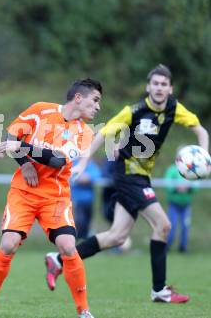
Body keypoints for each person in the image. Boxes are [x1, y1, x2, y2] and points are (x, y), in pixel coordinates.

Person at [44, 64, 209, 303]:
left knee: (116, 236)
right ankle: (159, 290)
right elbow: (103, 134)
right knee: (163, 225)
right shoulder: (134, 111)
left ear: (170, 88)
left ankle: (57, 260)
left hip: (142, 176)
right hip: (128, 174)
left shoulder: (174, 108)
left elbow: (201, 131)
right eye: (155, 83)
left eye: (164, 84)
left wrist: (204, 157)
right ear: (148, 87)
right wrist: (82, 162)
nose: (159, 88)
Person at [0, 79, 102, 318]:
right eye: (95, 100)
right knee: (8, 244)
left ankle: (84, 311)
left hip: (56, 195)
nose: (98, 107)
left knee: (68, 246)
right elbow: (11, 135)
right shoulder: (40, 110)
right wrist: (24, 164)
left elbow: (56, 160)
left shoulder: (85, 132)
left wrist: (22, 148)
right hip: (24, 191)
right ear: (78, 98)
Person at [164, 152, 196, 253]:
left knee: (185, 226)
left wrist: (188, 187)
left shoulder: (192, 170)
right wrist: (177, 188)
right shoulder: (172, 169)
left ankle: (183, 248)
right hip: (173, 204)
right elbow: (167, 183)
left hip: (186, 205)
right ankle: (166, 247)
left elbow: (196, 184)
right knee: (171, 226)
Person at [71, 159, 101, 239]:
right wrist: (80, 178)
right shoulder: (74, 163)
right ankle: (76, 239)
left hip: (89, 200)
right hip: (76, 200)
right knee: (79, 221)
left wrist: (85, 178)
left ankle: (83, 240)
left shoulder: (90, 163)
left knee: (87, 221)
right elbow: (70, 176)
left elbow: (96, 176)